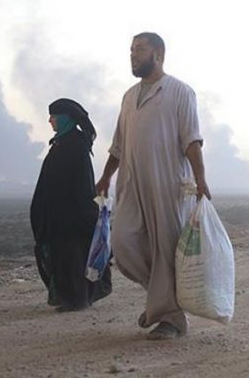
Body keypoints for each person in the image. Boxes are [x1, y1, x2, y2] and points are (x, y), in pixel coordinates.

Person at [95, 32, 209, 340]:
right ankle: (164, 299)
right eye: (130, 50)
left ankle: (170, 317)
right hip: (131, 184)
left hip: (168, 185)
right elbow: (118, 145)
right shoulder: (129, 97)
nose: (132, 55)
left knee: (164, 249)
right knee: (123, 245)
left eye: (139, 49)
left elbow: (191, 140)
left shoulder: (179, 92)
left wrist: (201, 179)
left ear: (157, 53)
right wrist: (106, 176)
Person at [31, 98, 111, 312]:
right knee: (64, 257)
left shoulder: (75, 145)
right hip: (60, 215)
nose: (50, 121)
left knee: (73, 258)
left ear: (65, 118)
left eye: (53, 116)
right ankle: (70, 298)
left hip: (72, 216)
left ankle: (77, 300)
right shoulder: (62, 142)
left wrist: (82, 212)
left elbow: (81, 183)